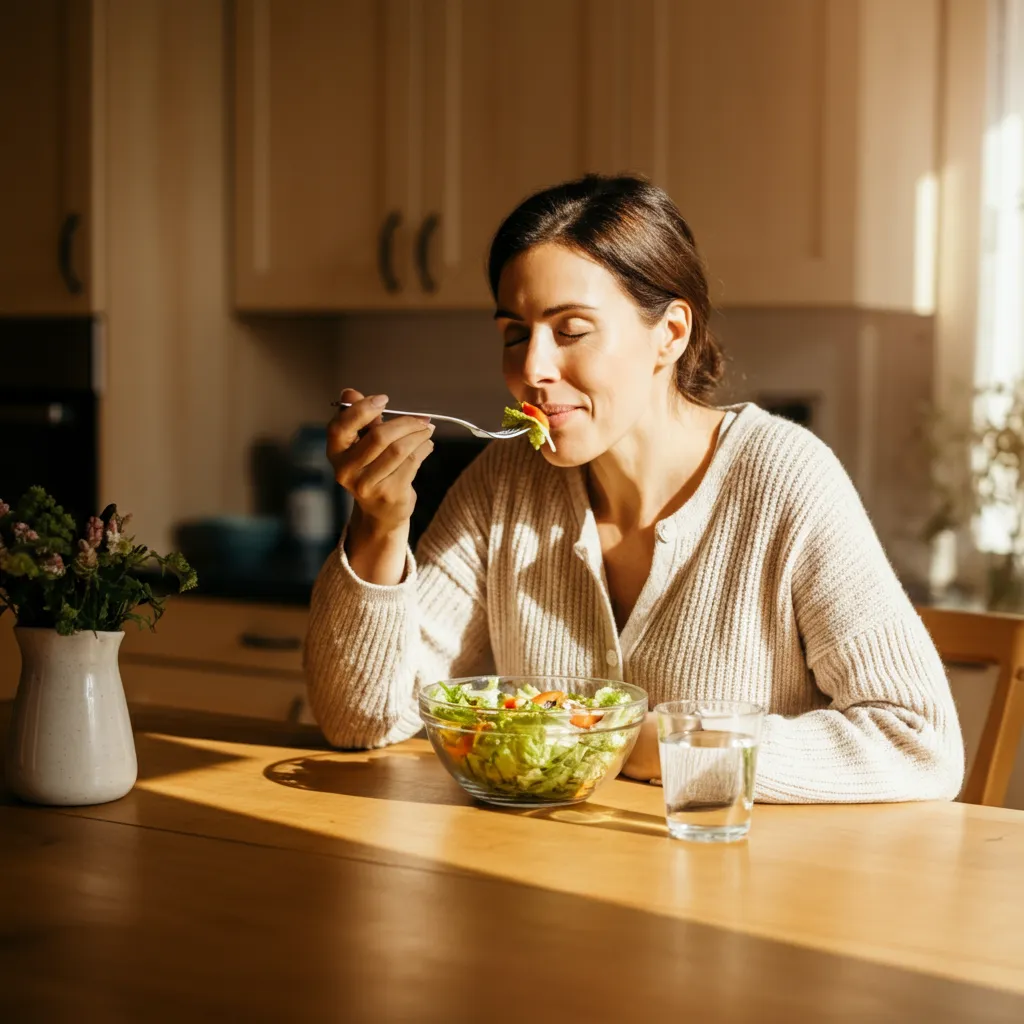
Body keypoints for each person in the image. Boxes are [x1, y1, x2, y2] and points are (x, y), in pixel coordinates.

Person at [304, 174, 964, 802]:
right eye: (515, 334)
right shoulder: (506, 482)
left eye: (571, 330)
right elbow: (359, 721)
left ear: (670, 333)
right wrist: (379, 526)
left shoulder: (783, 479)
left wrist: (652, 746)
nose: (532, 369)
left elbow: (919, 743)